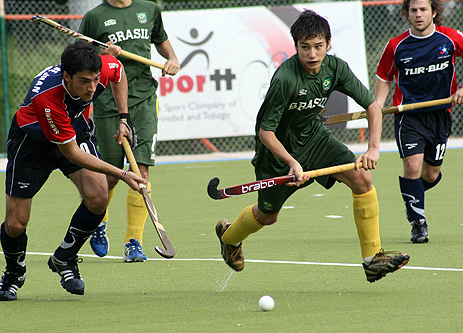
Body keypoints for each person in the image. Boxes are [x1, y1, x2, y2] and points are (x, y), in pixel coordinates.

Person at [215, 10, 410, 283]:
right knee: (267, 216)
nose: (312, 54)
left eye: (318, 46)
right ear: (295, 47)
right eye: (305, 47)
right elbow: (266, 132)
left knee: (362, 178)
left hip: (315, 140)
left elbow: (372, 107)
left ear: (328, 44)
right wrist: (293, 163)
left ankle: (372, 259)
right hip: (277, 155)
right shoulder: (285, 79)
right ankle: (229, 237)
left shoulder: (336, 68)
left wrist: (373, 148)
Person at [0, 41, 146, 301]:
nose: (91, 88)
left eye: (96, 81)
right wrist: (122, 174)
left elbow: (118, 71)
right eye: (84, 81)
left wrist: (124, 118)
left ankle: (65, 257)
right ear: (67, 76)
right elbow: (73, 153)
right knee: (16, 223)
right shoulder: (48, 100)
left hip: (73, 129)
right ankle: (14, 271)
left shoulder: (101, 69)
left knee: (98, 197)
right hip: (33, 142)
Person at [79, 0, 180, 262]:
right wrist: (105, 58)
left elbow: (161, 38)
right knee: (111, 175)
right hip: (108, 103)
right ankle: (98, 221)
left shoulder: (149, 9)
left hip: (144, 99)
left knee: (141, 171)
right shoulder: (95, 17)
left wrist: (171, 58)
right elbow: (80, 62)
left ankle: (133, 242)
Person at [375, 0, 463, 243]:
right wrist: (379, 104)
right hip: (409, 118)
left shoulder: (451, 38)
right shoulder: (396, 46)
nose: (418, 14)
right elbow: (384, 77)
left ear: (434, 12)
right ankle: (418, 223)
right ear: (407, 14)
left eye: (423, 9)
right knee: (412, 169)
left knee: (431, 174)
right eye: (413, 10)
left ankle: (411, 196)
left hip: (440, 115)